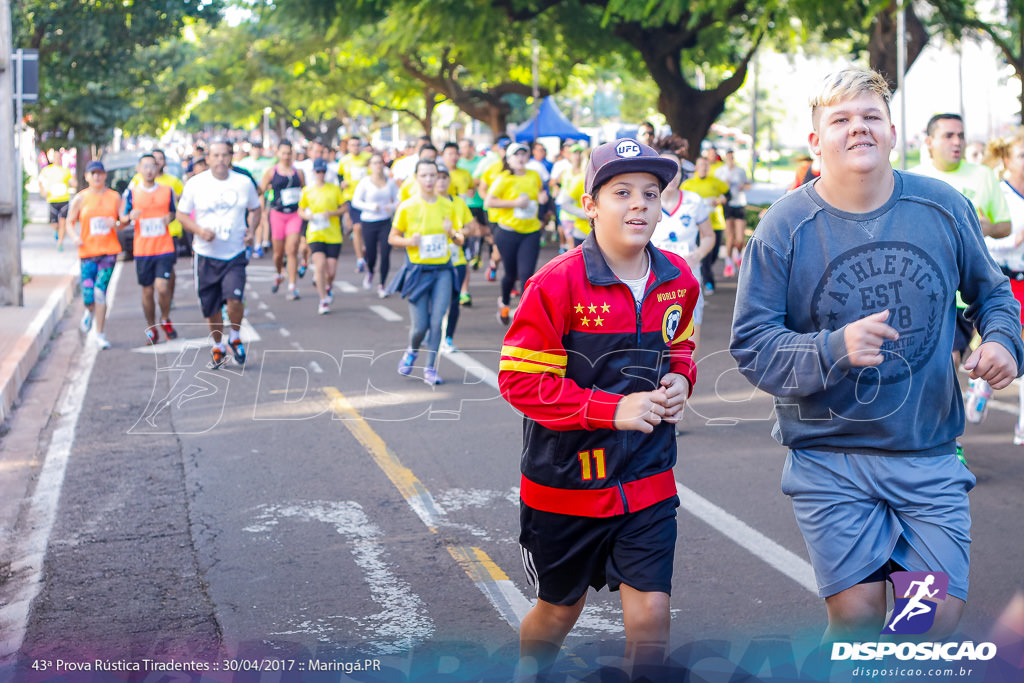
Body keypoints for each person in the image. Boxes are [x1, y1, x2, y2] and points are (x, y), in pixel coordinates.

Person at [730, 68, 1023, 642]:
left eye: (869, 117)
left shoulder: (942, 206)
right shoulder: (783, 227)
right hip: (830, 458)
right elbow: (752, 343)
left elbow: (992, 293)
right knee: (859, 617)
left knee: (926, 619)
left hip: (927, 453)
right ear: (816, 143)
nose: (857, 128)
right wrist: (834, 347)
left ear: (892, 132)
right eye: (840, 120)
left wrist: (1002, 342)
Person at [498, 138, 696, 677]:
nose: (639, 204)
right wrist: (612, 410)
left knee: (652, 615)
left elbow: (681, 348)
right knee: (560, 611)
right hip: (565, 486)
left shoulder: (679, 280)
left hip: (648, 477)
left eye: (651, 194)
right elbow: (519, 382)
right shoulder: (556, 282)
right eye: (622, 192)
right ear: (590, 204)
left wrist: (680, 378)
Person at [176, 139, 262, 369]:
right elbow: (181, 215)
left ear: (231, 157)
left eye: (225, 155)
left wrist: (252, 231)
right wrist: (199, 231)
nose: (220, 160)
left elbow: (256, 208)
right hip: (206, 255)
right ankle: (218, 345)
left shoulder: (244, 183)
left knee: (234, 299)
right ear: (208, 159)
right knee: (211, 308)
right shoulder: (196, 184)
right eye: (216, 156)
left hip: (234, 252)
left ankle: (234, 335)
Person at [389, 160, 463, 385]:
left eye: (433, 175)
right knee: (420, 326)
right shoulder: (407, 207)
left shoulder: (447, 205)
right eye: (425, 175)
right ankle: (412, 350)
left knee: (437, 320)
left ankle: (430, 367)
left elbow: (459, 240)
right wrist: (409, 241)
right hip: (418, 271)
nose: (430, 180)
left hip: (443, 269)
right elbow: (392, 238)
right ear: (416, 178)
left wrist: (453, 233)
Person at [974, 131, 1024, 445]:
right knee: (1007, 343)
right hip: (1004, 279)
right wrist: (1012, 241)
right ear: (1006, 161)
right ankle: (983, 384)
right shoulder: (999, 194)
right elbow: (983, 239)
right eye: (1021, 156)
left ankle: (1021, 425)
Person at [652, 149, 714, 358]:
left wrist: (698, 254)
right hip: (654, 279)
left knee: (687, 346)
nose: (673, 175)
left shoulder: (694, 201)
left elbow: (708, 236)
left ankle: (684, 381)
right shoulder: (647, 201)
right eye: (667, 169)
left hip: (688, 277)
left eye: (676, 169)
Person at [484, 142, 548, 325]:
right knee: (510, 275)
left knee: (527, 274)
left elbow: (540, 193)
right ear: (509, 159)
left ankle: (524, 317)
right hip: (508, 233)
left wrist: (542, 198)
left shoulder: (534, 175)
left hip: (531, 232)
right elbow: (489, 201)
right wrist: (515, 203)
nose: (520, 158)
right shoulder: (503, 178)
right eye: (516, 155)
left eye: (523, 154)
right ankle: (504, 302)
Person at [66, 160, 124, 350]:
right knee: (89, 295)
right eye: (93, 173)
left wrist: (115, 224)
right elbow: (69, 221)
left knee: (100, 292)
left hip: (108, 252)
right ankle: (88, 312)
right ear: (87, 177)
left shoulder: (114, 197)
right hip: (87, 252)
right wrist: (75, 237)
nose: (97, 176)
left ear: (105, 175)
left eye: (100, 173)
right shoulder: (81, 198)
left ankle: (100, 333)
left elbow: (122, 221)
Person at [122, 154, 179, 344]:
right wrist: (130, 216)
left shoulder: (167, 191)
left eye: (152, 166)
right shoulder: (132, 193)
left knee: (162, 287)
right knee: (147, 291)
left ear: (158, 168)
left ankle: (165, 318)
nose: (148, 170)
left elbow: (173, 212)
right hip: (143, 250)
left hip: (164, 246)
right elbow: (122, 218)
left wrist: (169, 218)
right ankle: (152, 327)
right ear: (139, 169)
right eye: (144, 166)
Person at [260, 140, 306, 300]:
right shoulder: (271, 172)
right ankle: (279, 273)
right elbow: (261, 190)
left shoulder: (298, 173)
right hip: (277, 214)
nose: (286, 156)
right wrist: (262, 210)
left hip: (294, 214)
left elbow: (305, 192)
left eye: (289, 153)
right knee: (278, 254)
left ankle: (292, 286)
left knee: (292, 249)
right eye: (284, 153)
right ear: (278, 153)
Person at [299, 158, 346, 314]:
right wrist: (307, 216)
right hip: (315, 233)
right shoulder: (307, 190)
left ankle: (328, 286)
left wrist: (332, 213)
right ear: (313, 172)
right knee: (319, 266)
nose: (321, 174)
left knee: (331, 272)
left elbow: (344, 208)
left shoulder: (334, 189)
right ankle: (323, 300)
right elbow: (300, 210)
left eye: (323, 171)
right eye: (318, 171)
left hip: (333, 235)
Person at [352, 153, 400, 299]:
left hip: (385, 222)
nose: (378, 166)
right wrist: (371, 207)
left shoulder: (390, 182)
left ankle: (382, 285)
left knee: (385, 253)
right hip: (369, 222)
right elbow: (356, 201)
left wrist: (391, 207)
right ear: (370, 166)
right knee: (371, 255)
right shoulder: (365, 182)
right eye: (374, 163)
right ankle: (370, 271)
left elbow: (399, 199)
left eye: (380, 163)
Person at [682, 157, 730, 292]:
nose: (703, 168)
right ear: (696, 167)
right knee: (705, 255)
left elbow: (728, 196)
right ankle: (709, 281)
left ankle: (704, 273)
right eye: (701, 165)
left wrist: (721, 200)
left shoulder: (717, 182)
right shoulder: (687, 185)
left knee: (714, 254)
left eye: (705, 165)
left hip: (716, 223)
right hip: (697, 226)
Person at [339, 137, 372, 273]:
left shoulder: (368, 158)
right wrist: (342, 184)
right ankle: (360, 259)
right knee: (357, 227)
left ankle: (365, 248)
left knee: (366, 228)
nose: (355, 147)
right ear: (348, 147)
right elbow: (339, 177)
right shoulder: (344, 161)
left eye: (358, 145)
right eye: (352, 145)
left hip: (368, 198)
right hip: (352, 198)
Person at [715, 149, 751, 271]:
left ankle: (738, 255)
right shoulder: (720, 171)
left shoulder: (740, 171)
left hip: (739, 203)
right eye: (728, 157)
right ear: (725, 158)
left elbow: (748, 185)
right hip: (727, 204)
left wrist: (743, 186)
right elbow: (715, 188)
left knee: (740, 238)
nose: (730, 159)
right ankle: (729, 261)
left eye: (732, 157)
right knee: (730, 236)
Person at [39, 149, 76, 251]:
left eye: (58, 157)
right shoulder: (46, 170)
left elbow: (73, 182)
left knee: (63, 222)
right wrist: (43, 191)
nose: (57, 159)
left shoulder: (66, 171)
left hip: (64, 199)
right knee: (55, 224)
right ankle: (57, 231)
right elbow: (40, 182)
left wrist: (74, 179)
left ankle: (60, 242)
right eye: (55, 157)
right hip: (52, 199)